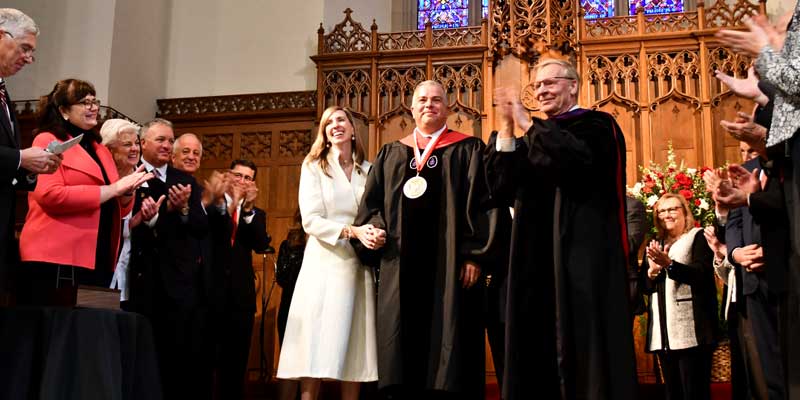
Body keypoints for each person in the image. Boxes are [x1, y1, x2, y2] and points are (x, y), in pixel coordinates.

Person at [487, 59, 637, 399]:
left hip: (582, 259)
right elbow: (499, 188)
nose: (541, 91)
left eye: (550, 83)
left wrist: (526, 121)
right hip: (535, 261)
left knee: (584, 347)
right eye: (537, 86)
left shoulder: (599, 126)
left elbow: (571, 160)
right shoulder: (532, 135)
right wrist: (507, 130)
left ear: (573, 85)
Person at [353, 81, 496, 399]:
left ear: (447, 107)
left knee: (450, 347)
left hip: (451, 268)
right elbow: (372, 205)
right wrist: (373, 230)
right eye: (422, 100)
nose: (428, 104)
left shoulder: (468, 150)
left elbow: (483, 205)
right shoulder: (391, 153)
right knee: (399, 348)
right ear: (411, 107)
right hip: (398, 265)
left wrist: (474, 254)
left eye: (436, 100)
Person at [17, 79, 151, 306]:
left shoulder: (100, 149)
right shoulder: (48, 139)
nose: (93, 107)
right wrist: (112, 189)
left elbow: (117, 203)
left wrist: (127, 191)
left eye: (94, 101)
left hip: (98, 253)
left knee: (85, 331)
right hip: (58, 255)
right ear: (64, 111)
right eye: (84, 102)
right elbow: (50, 196)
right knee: (57, 329)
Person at [277, 106, 379, 400]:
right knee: (315, 344)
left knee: (355, 346)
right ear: (324, 132)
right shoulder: (314, 166)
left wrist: (374, 231)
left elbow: (374, 212)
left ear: (351, 127)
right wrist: (352, 231)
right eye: (328, 122)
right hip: (324, 263)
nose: (335, 125)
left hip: (357, 265)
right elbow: (311, 220)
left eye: (341, 120)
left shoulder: (367, 169)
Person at [128, 118, 212, 399]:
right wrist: (154, 219)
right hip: (141, 281)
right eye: (160, 140)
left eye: (169, 140)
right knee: (141, 357)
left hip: (178, 285)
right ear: (143, 143)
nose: (166, 145)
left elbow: (200, 227)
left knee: (176, 359)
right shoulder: (132, 174)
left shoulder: (185, 181)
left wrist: (185, 208)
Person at [0, 9, 62, 299]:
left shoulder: (3, 92)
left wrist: (29, 169)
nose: (28, 58)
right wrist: (20, 158)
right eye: (25, 48)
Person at [642, 193, 718, 400]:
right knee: (672, 393)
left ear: (685, 212)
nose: (667, 214)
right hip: (664, 333)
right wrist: (653, 271)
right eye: (662, 211)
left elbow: (701, 274)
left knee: (694, 392)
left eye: (673, 209)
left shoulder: (698, 237)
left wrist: (670, 265)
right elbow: (645, 286)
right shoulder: (654, 242)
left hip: (693, 331)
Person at [211, 159, 271, 400]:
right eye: (238, 175)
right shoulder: (212, 206)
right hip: (211, 294)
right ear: (228, 176)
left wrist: (246, 210)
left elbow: (260, 244)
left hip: (240, 298)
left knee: (235, 363)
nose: (242, 181)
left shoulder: (256, 214)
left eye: (248, 178)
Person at [100, 118, 155, 310]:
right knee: (99, 325)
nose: (135, 149)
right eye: (126, 144)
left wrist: (146, 220)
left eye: (136, 143)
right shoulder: (100, 182)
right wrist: (129, 223)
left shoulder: (147, 181)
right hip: (101, 271)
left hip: (135, 277)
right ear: (109, 149)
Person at [275, 208, 306, 400]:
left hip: (315, 309)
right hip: (291, 309)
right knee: (290, 361)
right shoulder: (290, 244)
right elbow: (282, 277)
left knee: (310, 363)